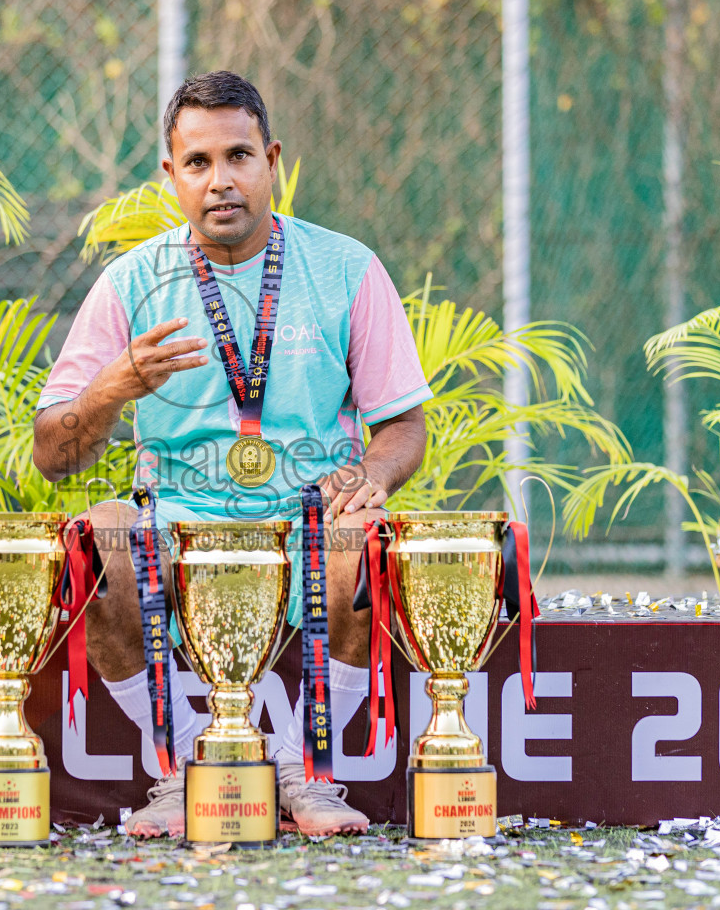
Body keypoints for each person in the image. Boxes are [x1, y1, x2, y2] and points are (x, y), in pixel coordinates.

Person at [32, 71, 430, 837]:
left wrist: (373, 476)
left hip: (306, 518)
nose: (222, 181)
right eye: (199, 162)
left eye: (239, 156)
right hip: (176, 521)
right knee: (98, 533)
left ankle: (302, 770)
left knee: (363, 536)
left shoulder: (346, 268)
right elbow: (54, 455)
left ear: (271, 159)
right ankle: (184, 770)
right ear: (170, 175)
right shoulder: (132, 282)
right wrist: (112, 388)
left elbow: (404, 425)